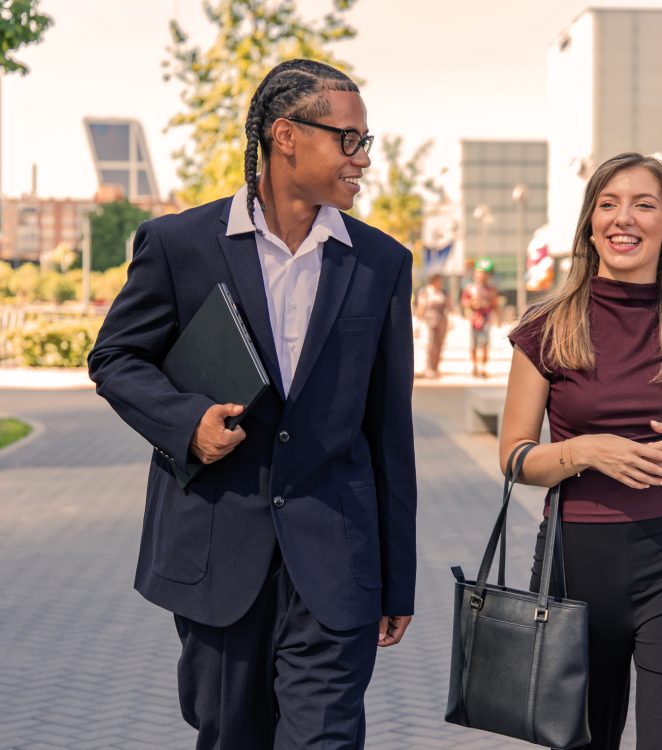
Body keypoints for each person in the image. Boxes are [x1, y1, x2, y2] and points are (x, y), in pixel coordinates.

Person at [87, 59, 417, 750]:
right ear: (287, 136)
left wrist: (397, 580)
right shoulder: (180, 245)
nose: (362, 158)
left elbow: (389, 428)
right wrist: (186, 425)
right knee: (230, 735)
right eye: (348, 139)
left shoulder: (381, 262)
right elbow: (116, 358)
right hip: (218, 553)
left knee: (324, 738)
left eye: (366, 142)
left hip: (336, 559)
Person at [499, 152, 662, 750]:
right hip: (575, 564)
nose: (622, 218)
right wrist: (584, 451)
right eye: (608, 204)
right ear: (589, 225)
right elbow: (513, 457)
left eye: (642, 204)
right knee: (581, 739)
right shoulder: (549, 325)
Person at [460, 257, 500, 377]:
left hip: (486, 319)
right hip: (474, 319)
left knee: (485, 344)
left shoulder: (491, 289)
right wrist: (472, 303)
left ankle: (483, 367)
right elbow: (463, 302)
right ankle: (475, 366)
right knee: (473, 344)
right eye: (480, 273)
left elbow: (496, 304)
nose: (482, 276)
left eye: (484, 273)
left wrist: (498, 318)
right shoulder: (470, 288)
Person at [414, 273, 451, 378]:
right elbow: (421, 307)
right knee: (430, 344)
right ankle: (429, 367)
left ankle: (435, 367)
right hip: (429, 321)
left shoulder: (443, 292)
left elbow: (448, 306)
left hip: (442, 321)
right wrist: (418, 322)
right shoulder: (425, 292)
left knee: (439, 344)